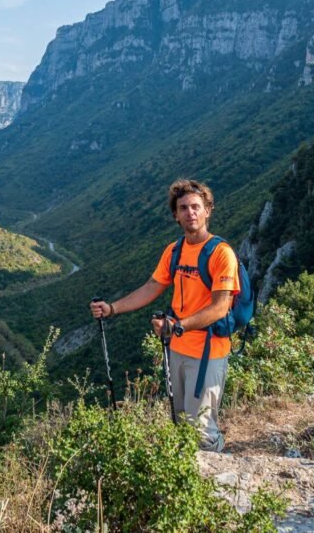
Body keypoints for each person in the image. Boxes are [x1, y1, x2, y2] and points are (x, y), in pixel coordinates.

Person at [90, 179, 239, 452]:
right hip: (177, 349)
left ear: (208, 211)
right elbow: (151, 288)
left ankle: (217, 482)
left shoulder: (221, 254)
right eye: (183, 208)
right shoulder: (175, 251)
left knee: (202, 430)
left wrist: (178, 326)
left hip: (208, 353)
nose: (190, 212)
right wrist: (112, 309)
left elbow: (221, 307)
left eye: (196, 206)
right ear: (176, 215)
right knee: (180, 424)